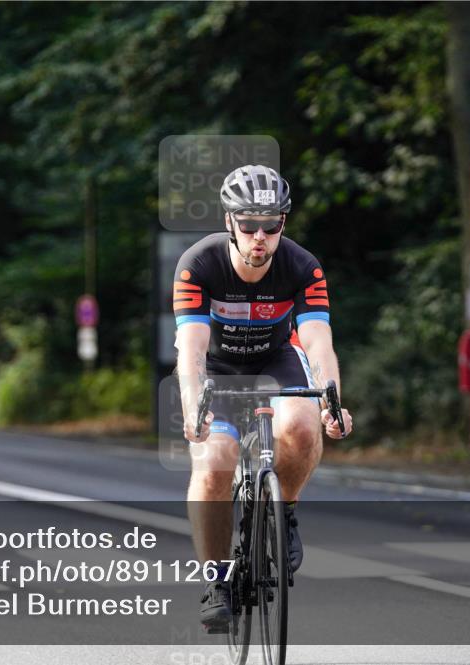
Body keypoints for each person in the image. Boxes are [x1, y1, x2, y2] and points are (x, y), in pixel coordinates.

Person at [174, 164, 353, 631]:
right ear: (229, 221)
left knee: (301, 425)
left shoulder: (302, 266)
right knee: (215, 461)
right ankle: (216, 578)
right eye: (248, 223)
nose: (259, 236)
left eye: (270, 224)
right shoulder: (198, 265)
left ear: (283, 224)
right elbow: (191, 349)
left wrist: (332, 399)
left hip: (276, 361)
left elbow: (317, 341)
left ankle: (285, 510)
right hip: (218, 370)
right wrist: (193, 407)